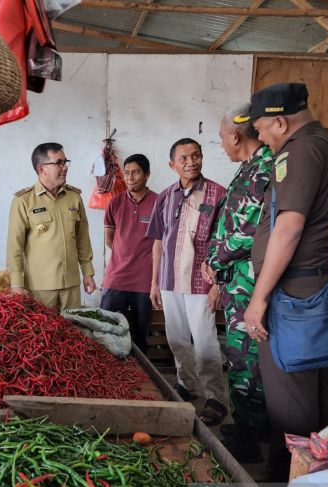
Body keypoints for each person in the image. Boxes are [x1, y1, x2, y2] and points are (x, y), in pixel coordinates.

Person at [244, 83, 328, 481]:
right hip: (321, 287)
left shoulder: (301, 150)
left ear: (280, 121)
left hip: (295, 292)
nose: (259, 138)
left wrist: (259, 300)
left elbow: (288, 229)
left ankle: (286, 474)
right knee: (320, 382)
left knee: (289, 395)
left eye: (261, 128)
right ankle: (327, 472)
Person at [202, 104, 274, 462]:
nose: (222, 145)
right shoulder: (248, 168)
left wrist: (214, 261)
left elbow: (249, 231)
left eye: (220, 138)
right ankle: (248, 424)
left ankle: (252, 438)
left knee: (246, 359)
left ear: (235, 135)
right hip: (236, 282)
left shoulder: (264, 168)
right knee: (241, 357)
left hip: (248, 282)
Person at [146, 137, 227, 426]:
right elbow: (158, 241)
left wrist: (218, 284)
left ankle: (215, 398)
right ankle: (187, 385)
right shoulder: (165, 197)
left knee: (205, 340)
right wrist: (154, 282)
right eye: (184, 158)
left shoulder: (218, 194)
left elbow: (224, 242)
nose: (191, 162)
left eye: (196, 156)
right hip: (170, 279)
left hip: (201, 282)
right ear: (172, 164)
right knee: (177, 338)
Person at [7, 142, 95, 311]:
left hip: (71, 285)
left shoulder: (74, 197)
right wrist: (16, 284)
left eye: (65, 162)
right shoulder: (23, 201)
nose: (65, 167)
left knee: (72, 332)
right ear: (42, 169)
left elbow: (83, 239)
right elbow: (14, 247)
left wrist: (88, 272)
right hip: (40, 288)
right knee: (42, 334)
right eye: (58, 163)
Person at [100, 154, 158, 353]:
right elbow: (109, 239)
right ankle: (111, 371)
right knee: (107, 326)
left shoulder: (159, 202)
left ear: (147, 175)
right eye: (127, 173)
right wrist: (124, 254)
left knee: (141, 333)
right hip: (116, 276)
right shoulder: (115, 203)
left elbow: (163, 243)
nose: (130, 177)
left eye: (136, 172)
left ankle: (140, 374)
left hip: (145, 279)